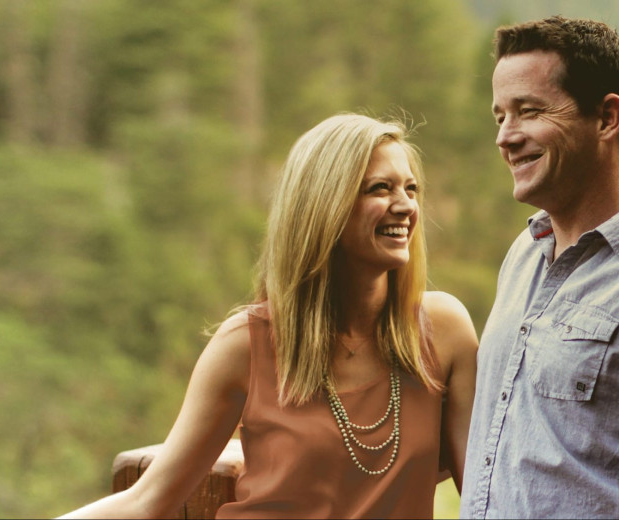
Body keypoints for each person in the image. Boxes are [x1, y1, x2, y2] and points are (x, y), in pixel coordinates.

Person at [59, 113, 478, 519]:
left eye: (411, 188)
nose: (405, 206)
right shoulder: (246, 343)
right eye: (380, 189)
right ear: (323, 206)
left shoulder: (444, 331)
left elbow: (487, 492)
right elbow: (148, 501)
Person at [460, 16, 619, 519]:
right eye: (499, 116)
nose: (505, 138)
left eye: (528, 112)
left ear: (607, 117)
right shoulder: (522, 254)